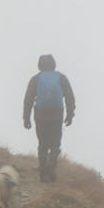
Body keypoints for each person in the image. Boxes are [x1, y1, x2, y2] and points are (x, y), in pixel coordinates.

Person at [23, 54, 76, 182]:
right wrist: (70, 115)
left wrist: (26, 118)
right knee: (55, 143)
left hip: (41, 114)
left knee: (42, 144)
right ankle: (51, 164)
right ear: (54, 64)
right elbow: (70, 97)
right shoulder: (61, 78)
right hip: (56, 115)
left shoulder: (35, 79)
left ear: (39, 65)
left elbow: (28, 99)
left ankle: (42, 172)